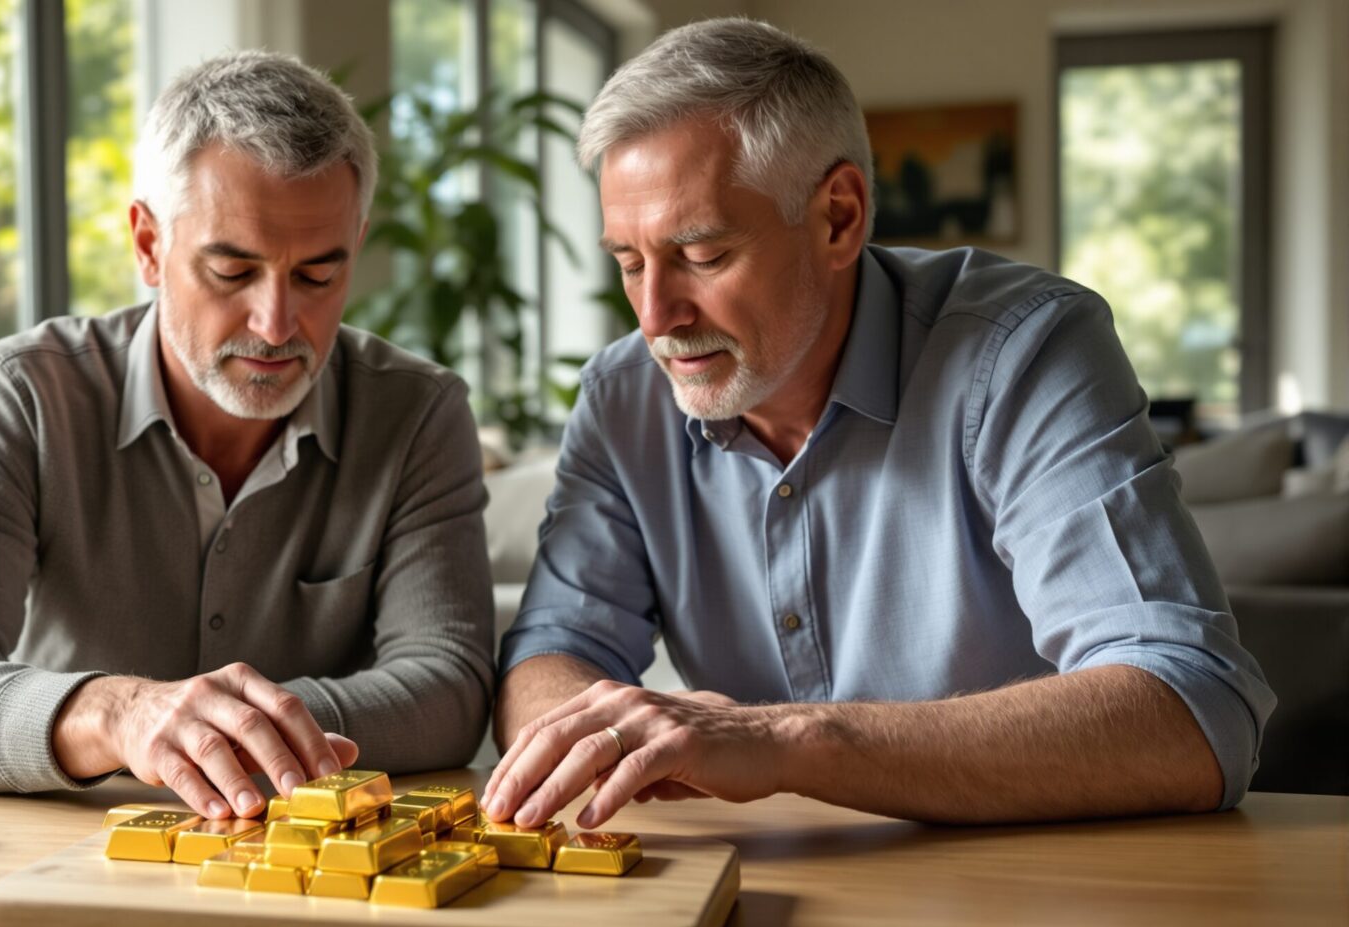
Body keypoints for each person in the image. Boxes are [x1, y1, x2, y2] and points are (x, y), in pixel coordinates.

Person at [483, 17, 1273, 831]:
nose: (656, 317)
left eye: (704, 256)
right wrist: (598, 732)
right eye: (629, 263)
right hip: (762, 878)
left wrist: (786, 742)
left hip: (1027, 879)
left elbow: (1193, 711)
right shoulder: (623, 398)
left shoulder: (1025, 353)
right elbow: (549, 657)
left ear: (839, 217)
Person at [0, 52, 494, 820]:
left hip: (305, 855)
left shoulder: (418, 413)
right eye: (232, 272)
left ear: (355, 245)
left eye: (318, 277)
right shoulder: (21, 396)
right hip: (66, 846)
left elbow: (451, 686)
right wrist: (121, 716)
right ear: (149, 245)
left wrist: (228, 729)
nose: (276, 325)